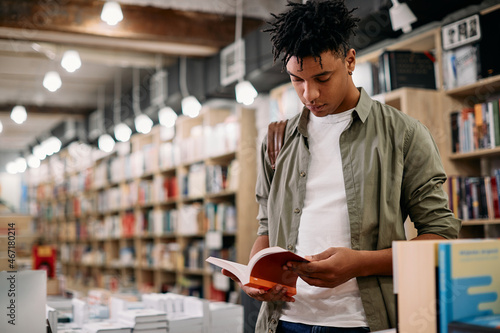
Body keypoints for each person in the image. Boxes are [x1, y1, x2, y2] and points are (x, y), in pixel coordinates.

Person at [222, 1, 461, 332]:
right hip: (285, 321)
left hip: (364, 322)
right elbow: (266, 226)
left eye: (322, 77)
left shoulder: (403, 134)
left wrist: (360, 264)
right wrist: (256, 277)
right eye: (297, 80)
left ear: (350, 60)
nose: (310, 94)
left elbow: (441, 236)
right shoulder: (277, 140)